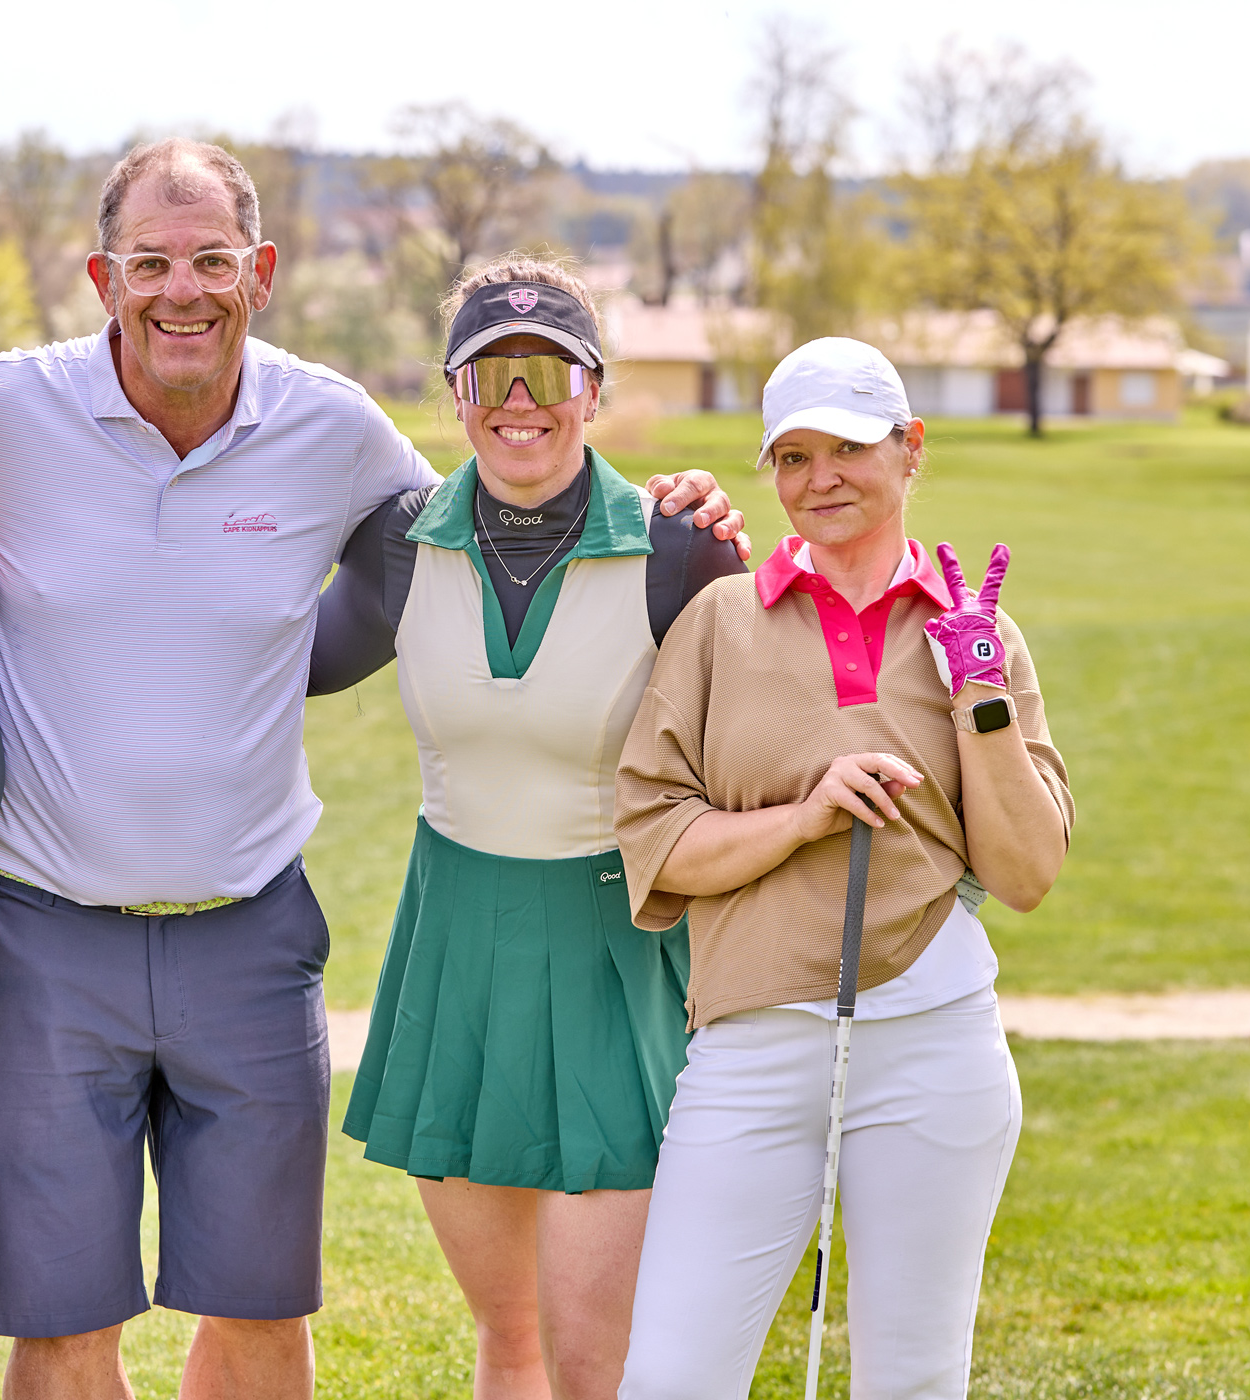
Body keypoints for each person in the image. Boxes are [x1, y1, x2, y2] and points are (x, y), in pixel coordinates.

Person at [0, 139, 744, 1400]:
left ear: (260, 270)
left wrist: (680, 514)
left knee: (261, 1312)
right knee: (60, 1329)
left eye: (212, 258)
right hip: (43, 938)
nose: (183, 289)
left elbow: (493, 504)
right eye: (151, 261)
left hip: (250, 937)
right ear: (102, 274)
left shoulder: (329, 424)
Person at [310, 256, 746, 1399]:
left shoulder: (681, 550)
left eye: (546, 370)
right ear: (454, 393)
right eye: (490, 371)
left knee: (593, 1362)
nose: (519, 399)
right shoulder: (400, 542)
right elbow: (253, 653)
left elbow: (765, 732)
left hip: (618, 952)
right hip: (453, 948)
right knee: (508, 1345)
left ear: (592, 387)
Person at [608, 337, 1074, 1400]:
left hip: (934, 1040)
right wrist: (805, 816)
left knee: (912, 1377)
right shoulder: (720, 621)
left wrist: (980, 692)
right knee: (674, 1375)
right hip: (752, 1044)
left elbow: (1028, 869)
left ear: (911, 450)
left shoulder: (978, 630)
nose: (821, 479)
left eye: (851, 448)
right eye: (794, 456)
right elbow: (659, 840)